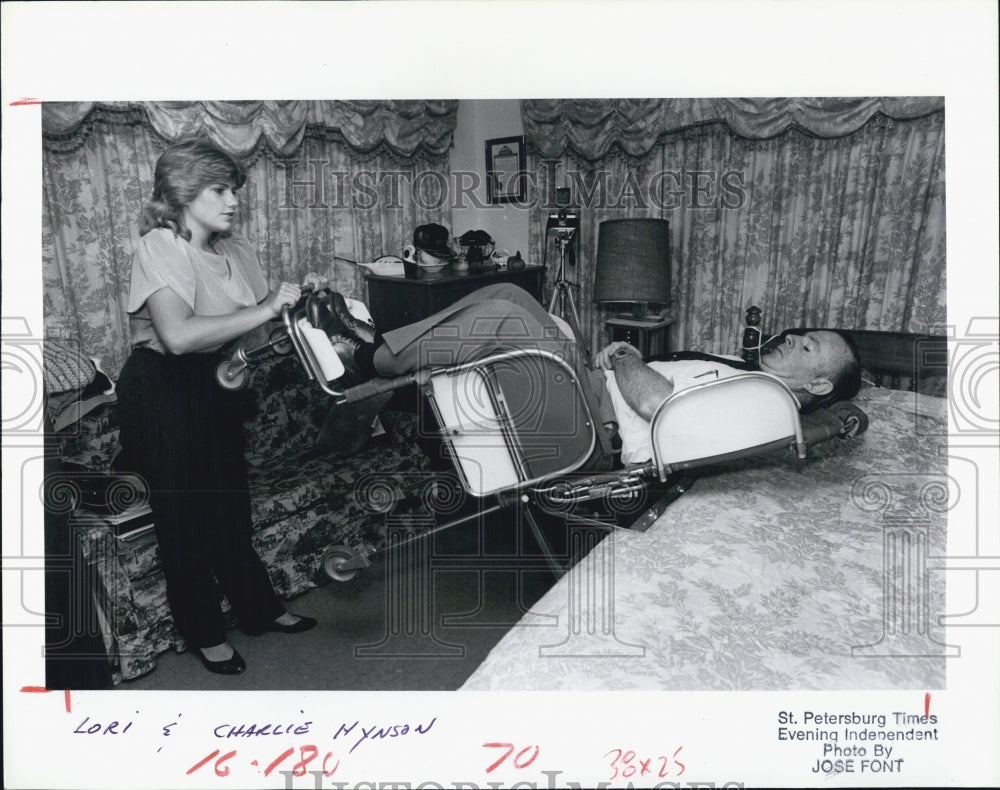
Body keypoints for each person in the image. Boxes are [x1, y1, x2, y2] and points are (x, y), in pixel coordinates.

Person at [116, 138, 319, 677]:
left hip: (214, 385)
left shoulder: (238, 250)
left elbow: (250, 330)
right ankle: (203, 632)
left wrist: (295, 308)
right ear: (184, 192)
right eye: (219, 189)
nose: (232, 201)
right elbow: (178, 337)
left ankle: (258, 609)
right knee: (183, 517)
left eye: (234, 190)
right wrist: (268, 307)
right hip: (161, 389)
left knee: (231, 505)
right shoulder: (160, 246)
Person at [313, 282, 862, 467]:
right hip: (589, 392)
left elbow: (657, 405)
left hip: (593, 434)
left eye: (806, 346)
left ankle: (362, 361)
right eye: (799, 333)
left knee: (504, 316)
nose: (790, 338)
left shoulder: (766, 402)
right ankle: (371, 366)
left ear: (817, 384)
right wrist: (624, 360)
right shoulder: (749, 378)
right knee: (512, 295)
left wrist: (625, 357)